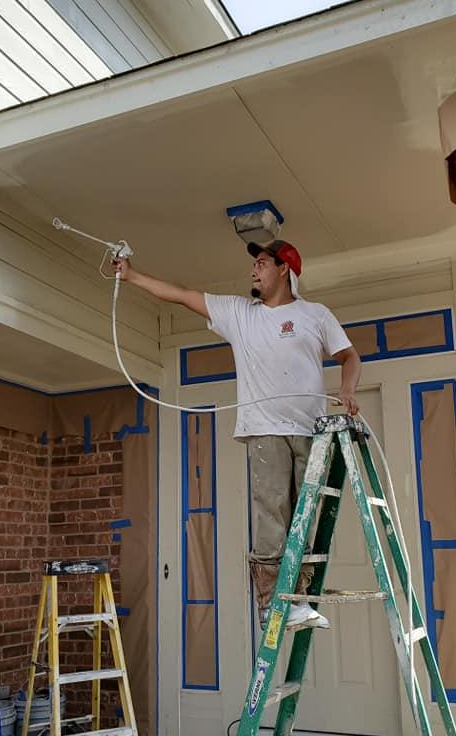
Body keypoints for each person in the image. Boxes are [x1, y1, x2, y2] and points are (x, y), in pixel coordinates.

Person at [112, 239, 361, 630]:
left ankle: (297, 598)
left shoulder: (315, 315)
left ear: (285, 269)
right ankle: (270, 604)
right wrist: (131, 276)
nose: (253, 271)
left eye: (261, 263)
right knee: (272, 516)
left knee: (306, 518)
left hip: (311, 429)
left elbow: (349, 356)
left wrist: (346, 390)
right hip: (265, 428)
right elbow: (181, 295)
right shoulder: (240, 313)